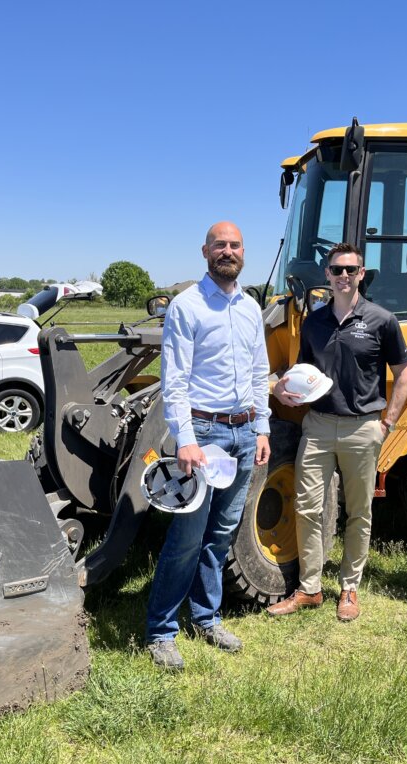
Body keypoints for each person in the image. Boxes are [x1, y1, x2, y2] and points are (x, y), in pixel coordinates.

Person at [146, 221, 271, 671]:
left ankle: (206, 617)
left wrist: (262, 428)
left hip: (242, 435)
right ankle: (161, 631)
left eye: (235, 245)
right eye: (220, 244)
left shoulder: (250, 307)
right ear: (205, 252)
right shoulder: (187, 306)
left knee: (221, 535)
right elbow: (174, 380)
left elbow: (260, 372)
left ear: (243, 253)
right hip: (205, 436)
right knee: (186, 537)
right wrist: (186, 440)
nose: (228, 251)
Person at [268, 243, 407, 622]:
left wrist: (388, 422)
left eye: (351, 269)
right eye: (336, 270)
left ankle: (349, 588)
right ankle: (310, 588)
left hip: (362, 427)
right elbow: (303, 371)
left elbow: (404, 370)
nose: (343, 276)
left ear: (362, 274)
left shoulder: (381, 320)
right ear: (327, 275)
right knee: (307, 507)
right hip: (317, 425)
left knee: (359, 511)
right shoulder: (314, 322)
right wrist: (286, 388)